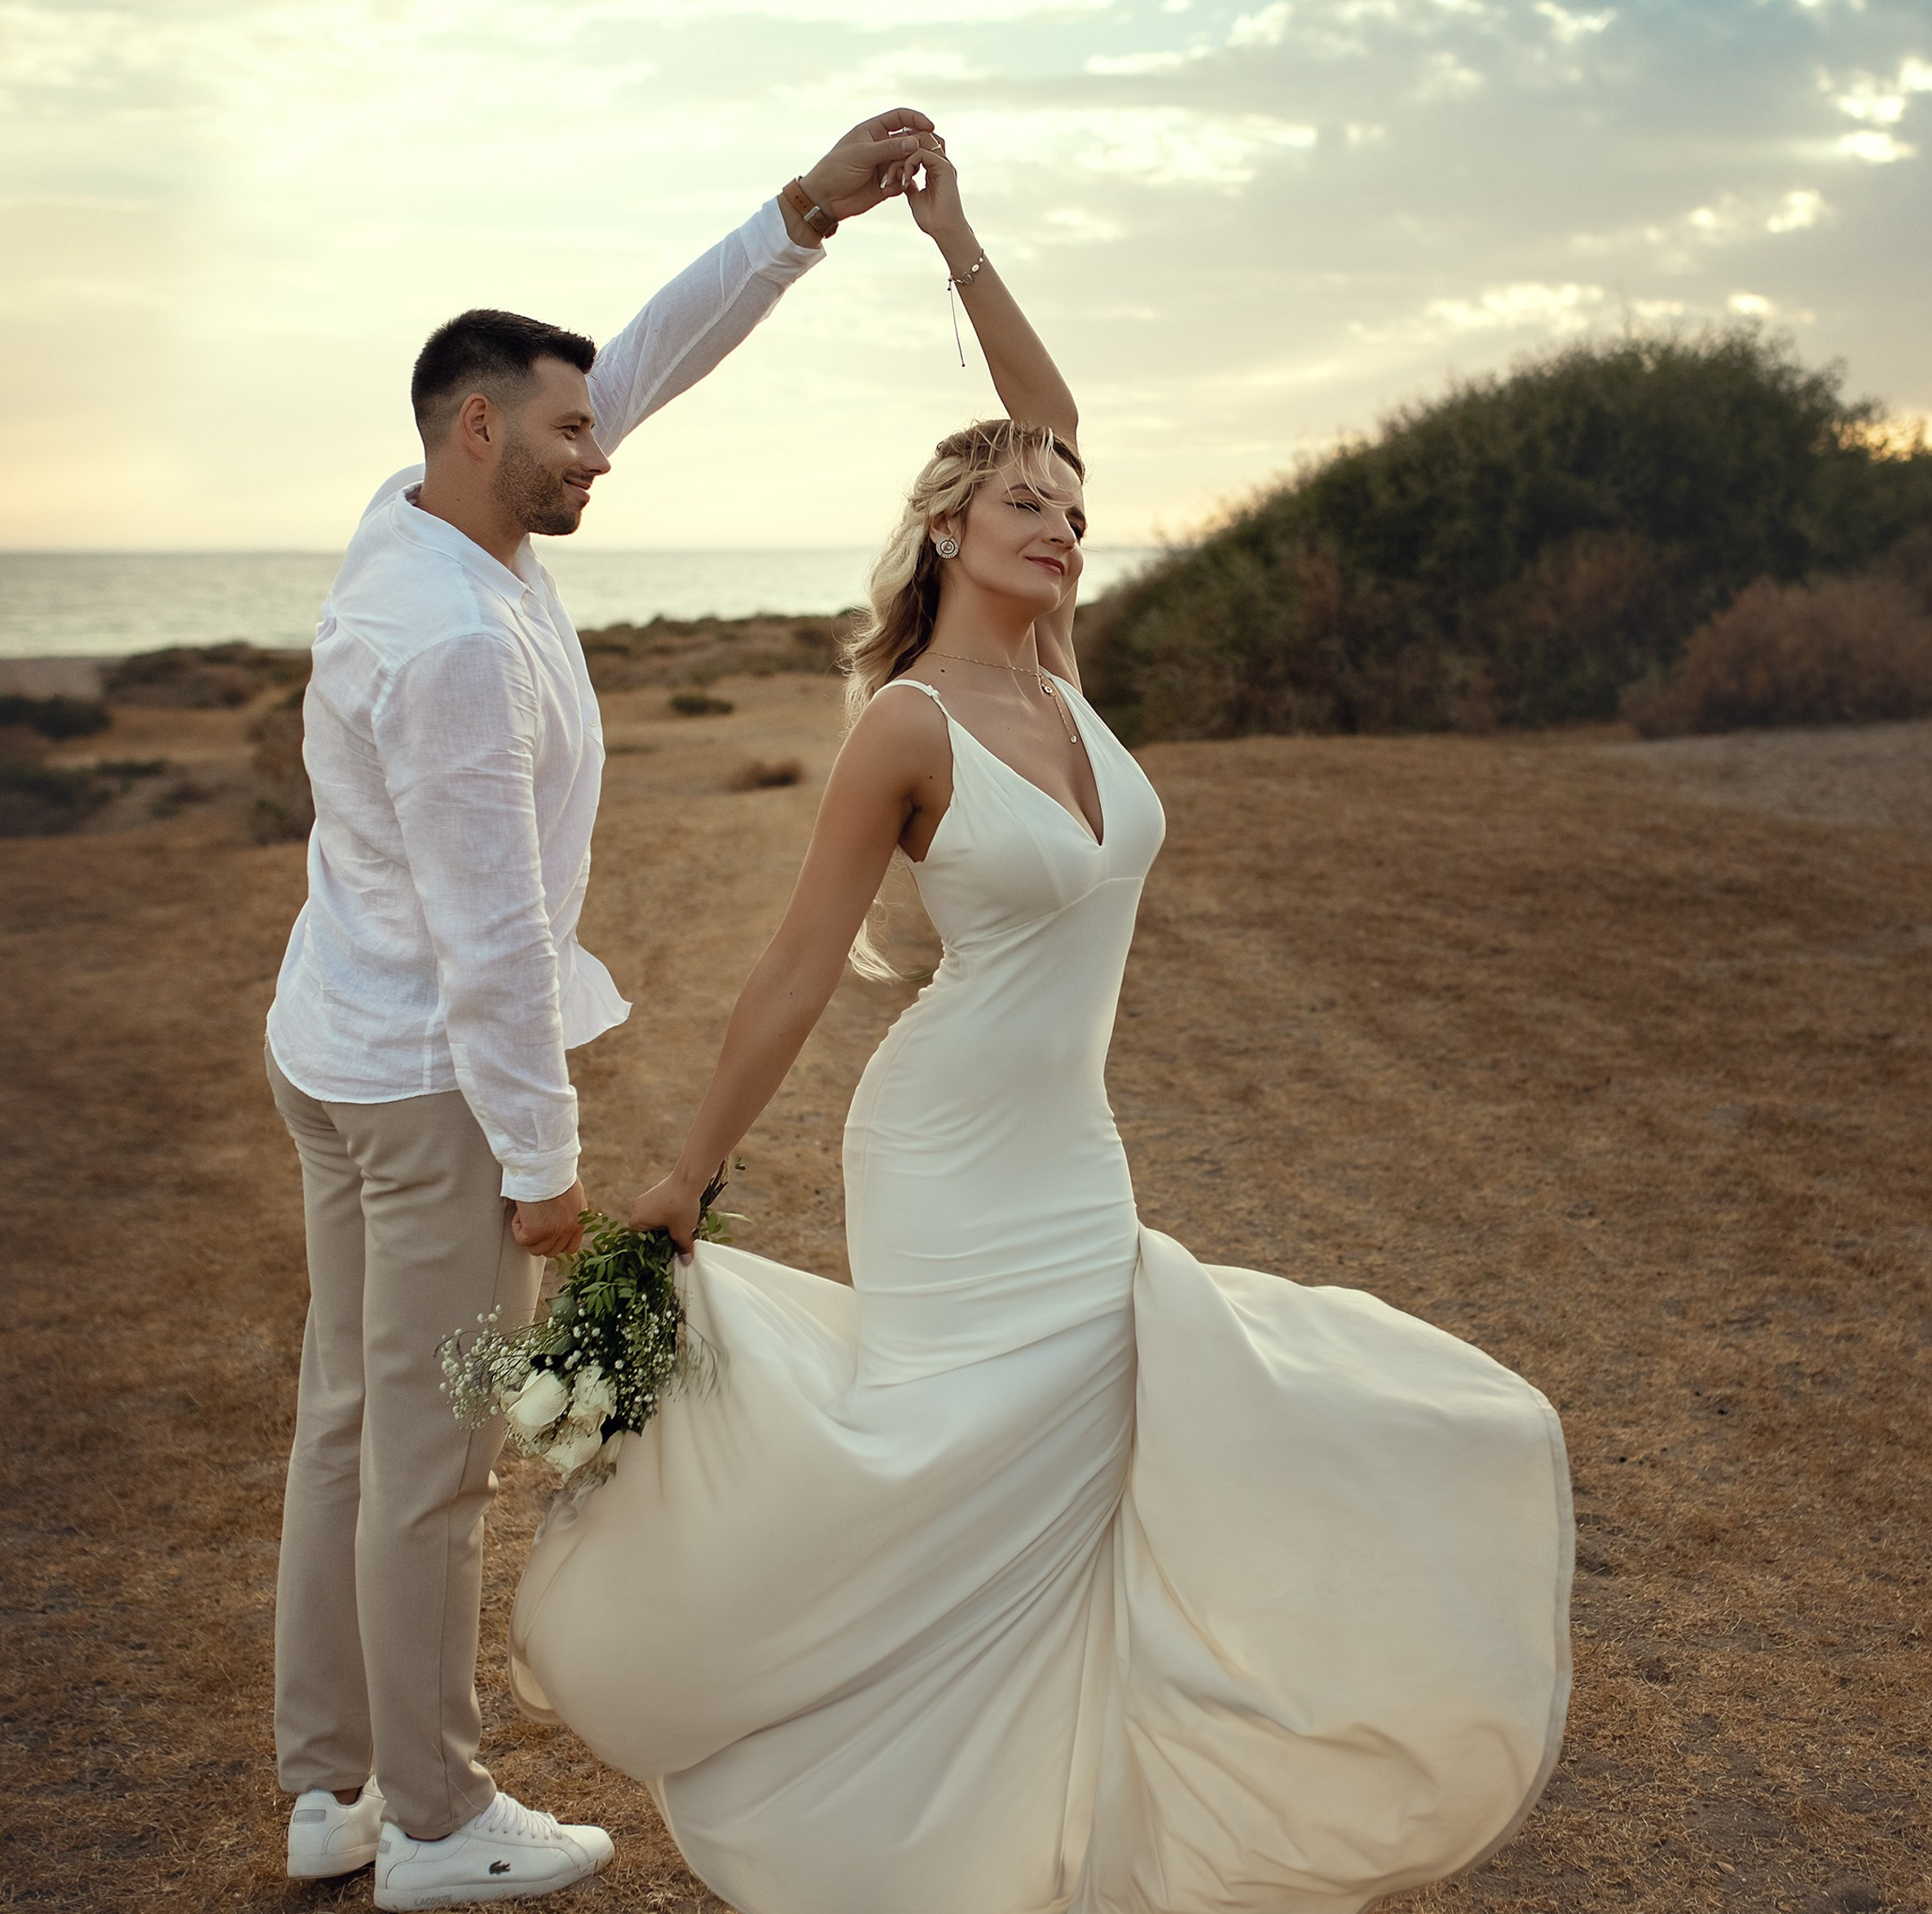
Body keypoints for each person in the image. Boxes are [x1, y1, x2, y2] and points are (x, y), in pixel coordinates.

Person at [504, 145, 1577, 1914]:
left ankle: (1049, 1826)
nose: (1060, 515)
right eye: (1022, 501)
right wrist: (686, 1175)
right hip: (937, 1147)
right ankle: (840, 1783)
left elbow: (1051, 407)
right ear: (944, 530)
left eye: (1071, 504)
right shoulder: (907, 725)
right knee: (945, 1475)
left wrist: (955, 240)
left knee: (1078, 1480)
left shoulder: (1062, 676)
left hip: (1067, 1148)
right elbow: (790, 968)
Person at [261, 109, 944, 1912]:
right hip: (424, 1088)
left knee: (346, 1419)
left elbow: (640, 353)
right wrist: (544, 1171)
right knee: (428, 1461)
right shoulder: (463, 645)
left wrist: (801, 216)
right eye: (569, 432)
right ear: (478, 431)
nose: (600, 451)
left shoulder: (418, 518)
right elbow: (494, 953)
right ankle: (431, 1817)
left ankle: (326, 1786)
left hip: (331, 1040)